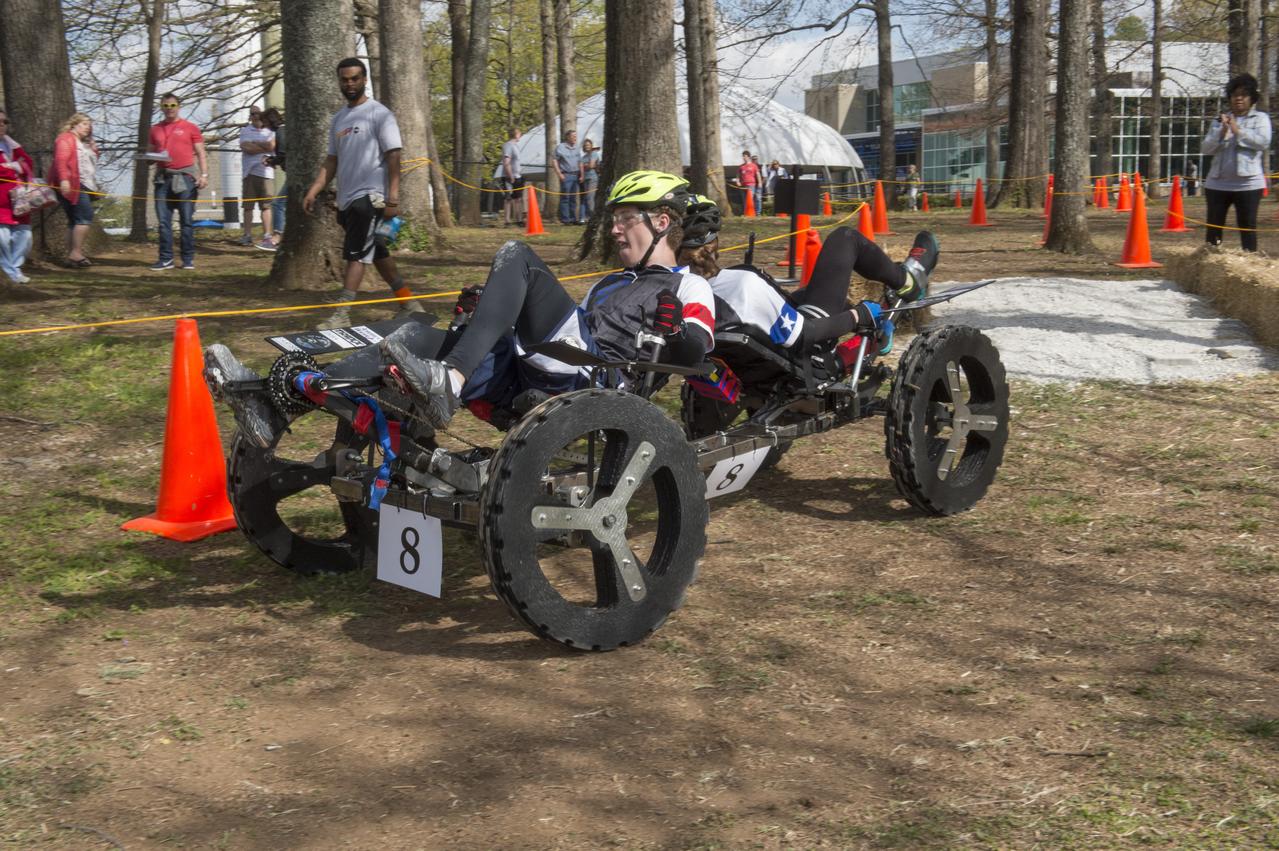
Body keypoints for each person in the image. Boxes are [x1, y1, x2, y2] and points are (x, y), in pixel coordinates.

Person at [203, 170, 716, 446]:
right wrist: (488, 311)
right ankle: (276, 402)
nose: (615, 229)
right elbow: (557, 329)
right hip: (540, 368)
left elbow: (697, 352)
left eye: (626, 219)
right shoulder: (609, 282)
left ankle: (449, 381)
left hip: (597, 378)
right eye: (615, 220)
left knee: (517, 255)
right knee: (410, 336)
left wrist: (676, 332)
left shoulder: (689, 285)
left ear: (662, 222)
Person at [678, 195, 936, 357]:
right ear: (713, 244)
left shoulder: (675, 290)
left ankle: (885, 308)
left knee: (811, 291)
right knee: (845, 238)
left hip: (760, 350)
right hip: (806, 339)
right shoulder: (741, 284)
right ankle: (908, 283)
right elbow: (804, 333)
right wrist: (860, 315)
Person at [303, 57, 422, 329]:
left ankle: (342, 313)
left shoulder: (379, 114)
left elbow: (394, 155)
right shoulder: (339, 119)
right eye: (345, 79)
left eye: (355, 78)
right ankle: (409, 304)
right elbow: (331, 160)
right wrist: (314, 190)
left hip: (370, 197)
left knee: (355, 254)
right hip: (347, 200)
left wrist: (393, 197)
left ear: (364, 79)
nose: (350, 84)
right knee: (376, 251)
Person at [1202, 73, 1272, 252]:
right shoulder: (1220, 120)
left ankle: (1250, 261)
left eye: (1243, 95)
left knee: (1247, 226)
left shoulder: (1260, 118)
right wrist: (1221, 133)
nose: (1239, 98)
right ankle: (1211, 261)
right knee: (1213, 228)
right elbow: (1206, 148)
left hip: (1248, 184)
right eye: (1234, 95)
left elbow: (1263, 142)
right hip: (1217, 184)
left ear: (1252, 98)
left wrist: (1238, 131)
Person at [148, 92, 208, 271]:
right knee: (163, 222)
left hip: (185, 178)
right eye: (165, 106)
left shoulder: (191, 127)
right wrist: (148, 157)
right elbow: (150, 155)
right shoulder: (155, 129)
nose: (169, 109)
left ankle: (188, 259)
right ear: (161, 108)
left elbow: (201, 153)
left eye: (172, 105)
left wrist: (204, 175)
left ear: (178, 107)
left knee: (186, 220)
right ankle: (166, 259)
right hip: (163, 179)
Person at [50, 112, 99, 268]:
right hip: (72, 184)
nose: (88, 127)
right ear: (74, 124)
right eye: (84, 124)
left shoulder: (83, 142)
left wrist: (94, 150)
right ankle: (76, 253)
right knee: (85, 217)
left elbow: (89, 162)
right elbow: (61, 161)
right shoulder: (65, 138)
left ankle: (71, 256)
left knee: (74, 221)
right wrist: (64, 180)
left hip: (84, 184)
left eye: (89, 124)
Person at [0, 110, 36, 285]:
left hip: (19, 201)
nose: (2, 125)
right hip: (1, 203)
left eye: (4, 121)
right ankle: (10, 272)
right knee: (3, 239)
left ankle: (15, 267)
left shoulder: (13, 145)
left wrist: (12, 166)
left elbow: (28, 163)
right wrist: (15, 167)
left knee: (25, 236)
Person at [238, 104, 276, 251]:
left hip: (267, 173)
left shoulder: (270, 130)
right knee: (248, 207)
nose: (255, 116)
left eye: (257, 113)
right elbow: (246, 147)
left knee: (266, 206)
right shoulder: (245, 130)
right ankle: (247, 235)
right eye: (252, 113)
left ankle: (267, 235)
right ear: (250, 116)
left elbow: (272, 146)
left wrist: (256, 144)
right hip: (250, 173)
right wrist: (263, 147)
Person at [261, 107, 286, 243]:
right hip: (293, 174)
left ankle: (276, 237)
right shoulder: (282, 131)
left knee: (277, 204)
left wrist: (270, 161)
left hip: (295, 176)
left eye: (265, 122)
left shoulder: (281, 132)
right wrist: (272, 160)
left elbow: (283, 155)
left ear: (271, 121)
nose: (265, 126)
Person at [553, 128, 581, 224]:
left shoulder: (577, 147)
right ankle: (566, 219)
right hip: (566, 175)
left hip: (576, 175)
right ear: (567, 137)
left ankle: (573, 218)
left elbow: (580, 161)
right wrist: (559, 174)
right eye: (573, 136)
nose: (575, 138)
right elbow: (554, 161)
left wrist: (581, 174)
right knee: (565, 198)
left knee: (573, 198)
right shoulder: (560, 147)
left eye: (575, 136)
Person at [500, 126, 525, 226]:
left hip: (518, 176)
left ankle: (519, 220)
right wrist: (510, 176)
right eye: (519, 134)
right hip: (509, 177)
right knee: (508, 198)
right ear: (516, 135)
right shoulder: (508, 145)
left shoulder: (515, 146)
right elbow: (506, 162)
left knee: (518, 198)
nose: (520, 136)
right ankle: (507, 221)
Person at [579, 138, 601, 222]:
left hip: (593, 178)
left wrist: (585, 165)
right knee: (587, 198)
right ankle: (588, 217)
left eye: (588, 145)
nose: (587, 146)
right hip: (585, 179)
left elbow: (591, 165)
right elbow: (581, 167)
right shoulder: (583, 157)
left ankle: (593, 217)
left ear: (591, 146)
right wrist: (585, 166)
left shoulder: (594, 153)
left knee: (590, 198)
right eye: (585, 145)